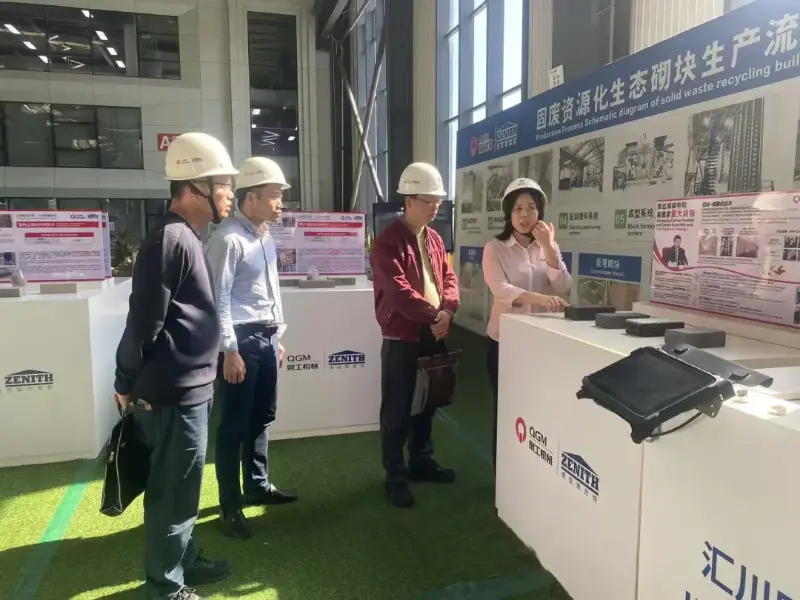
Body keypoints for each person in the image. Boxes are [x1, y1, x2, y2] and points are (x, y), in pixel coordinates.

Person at [114, 132, 239, 600]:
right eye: (222, 184)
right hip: (171, 396)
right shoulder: (169, 239)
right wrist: (124, 380)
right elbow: (143, 324)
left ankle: (182, 561)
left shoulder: (186, 237)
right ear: (193, 186)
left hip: (191, 391)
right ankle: (164, 588)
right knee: (171, 492)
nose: (230, 193)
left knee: (184, 487)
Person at [206, 156, 296, 540]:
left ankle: (257, 485)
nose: (280, 203)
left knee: (261, 416)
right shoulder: (228, 238)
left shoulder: (264, 236)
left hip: (266, 338)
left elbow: (269, 292)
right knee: (233, 426)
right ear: (251, 197)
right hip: (241, 341)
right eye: (274, 195)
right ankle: (230, 506)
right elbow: (219, 298)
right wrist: (229, 349)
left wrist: (278, 336)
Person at [370, 162, 460, 509]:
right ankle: (395, 476)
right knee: (398, 409)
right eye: (428, 201)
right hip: (402, 336)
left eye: (438, 201)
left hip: (432, 331)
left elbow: (448, 278)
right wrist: (436, 315)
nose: (435, 207)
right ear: (408, 200)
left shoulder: (434, 238)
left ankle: (422, 460)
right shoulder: (387, 242)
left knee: (428, 401)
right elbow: (399, 293)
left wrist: (448, 310)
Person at [482, 178, 572, 471]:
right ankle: (502, 474)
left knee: (537, 407)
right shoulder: (495, 248)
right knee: (507, 407)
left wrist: (548, 247)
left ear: (540, 212)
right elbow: (501, 290)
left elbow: (564, 286)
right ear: (508, 213)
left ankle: (530, 472)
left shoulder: (547, 246)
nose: (525, 215)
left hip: (541, 343)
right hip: (505, 342)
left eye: (531, 208)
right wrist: (541, 299)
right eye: (518, 208)